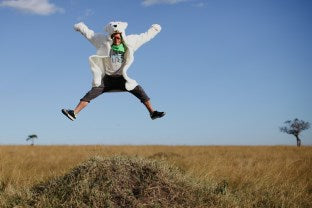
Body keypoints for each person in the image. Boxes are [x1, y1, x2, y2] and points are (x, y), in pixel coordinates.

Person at [61, 21, 165, 121]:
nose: (116, 39)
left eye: (118, 38)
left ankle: (152, 112)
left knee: (139, 90)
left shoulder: (130, 43)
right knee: (91, 93)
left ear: (122, 36)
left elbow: (144, 37)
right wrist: (81, 27)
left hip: (122, 78)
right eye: (114, 38)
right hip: (107, 79)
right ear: (111, 37)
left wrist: (154, 29)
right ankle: (74, 113)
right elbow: (90, 35)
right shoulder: (103, 42)